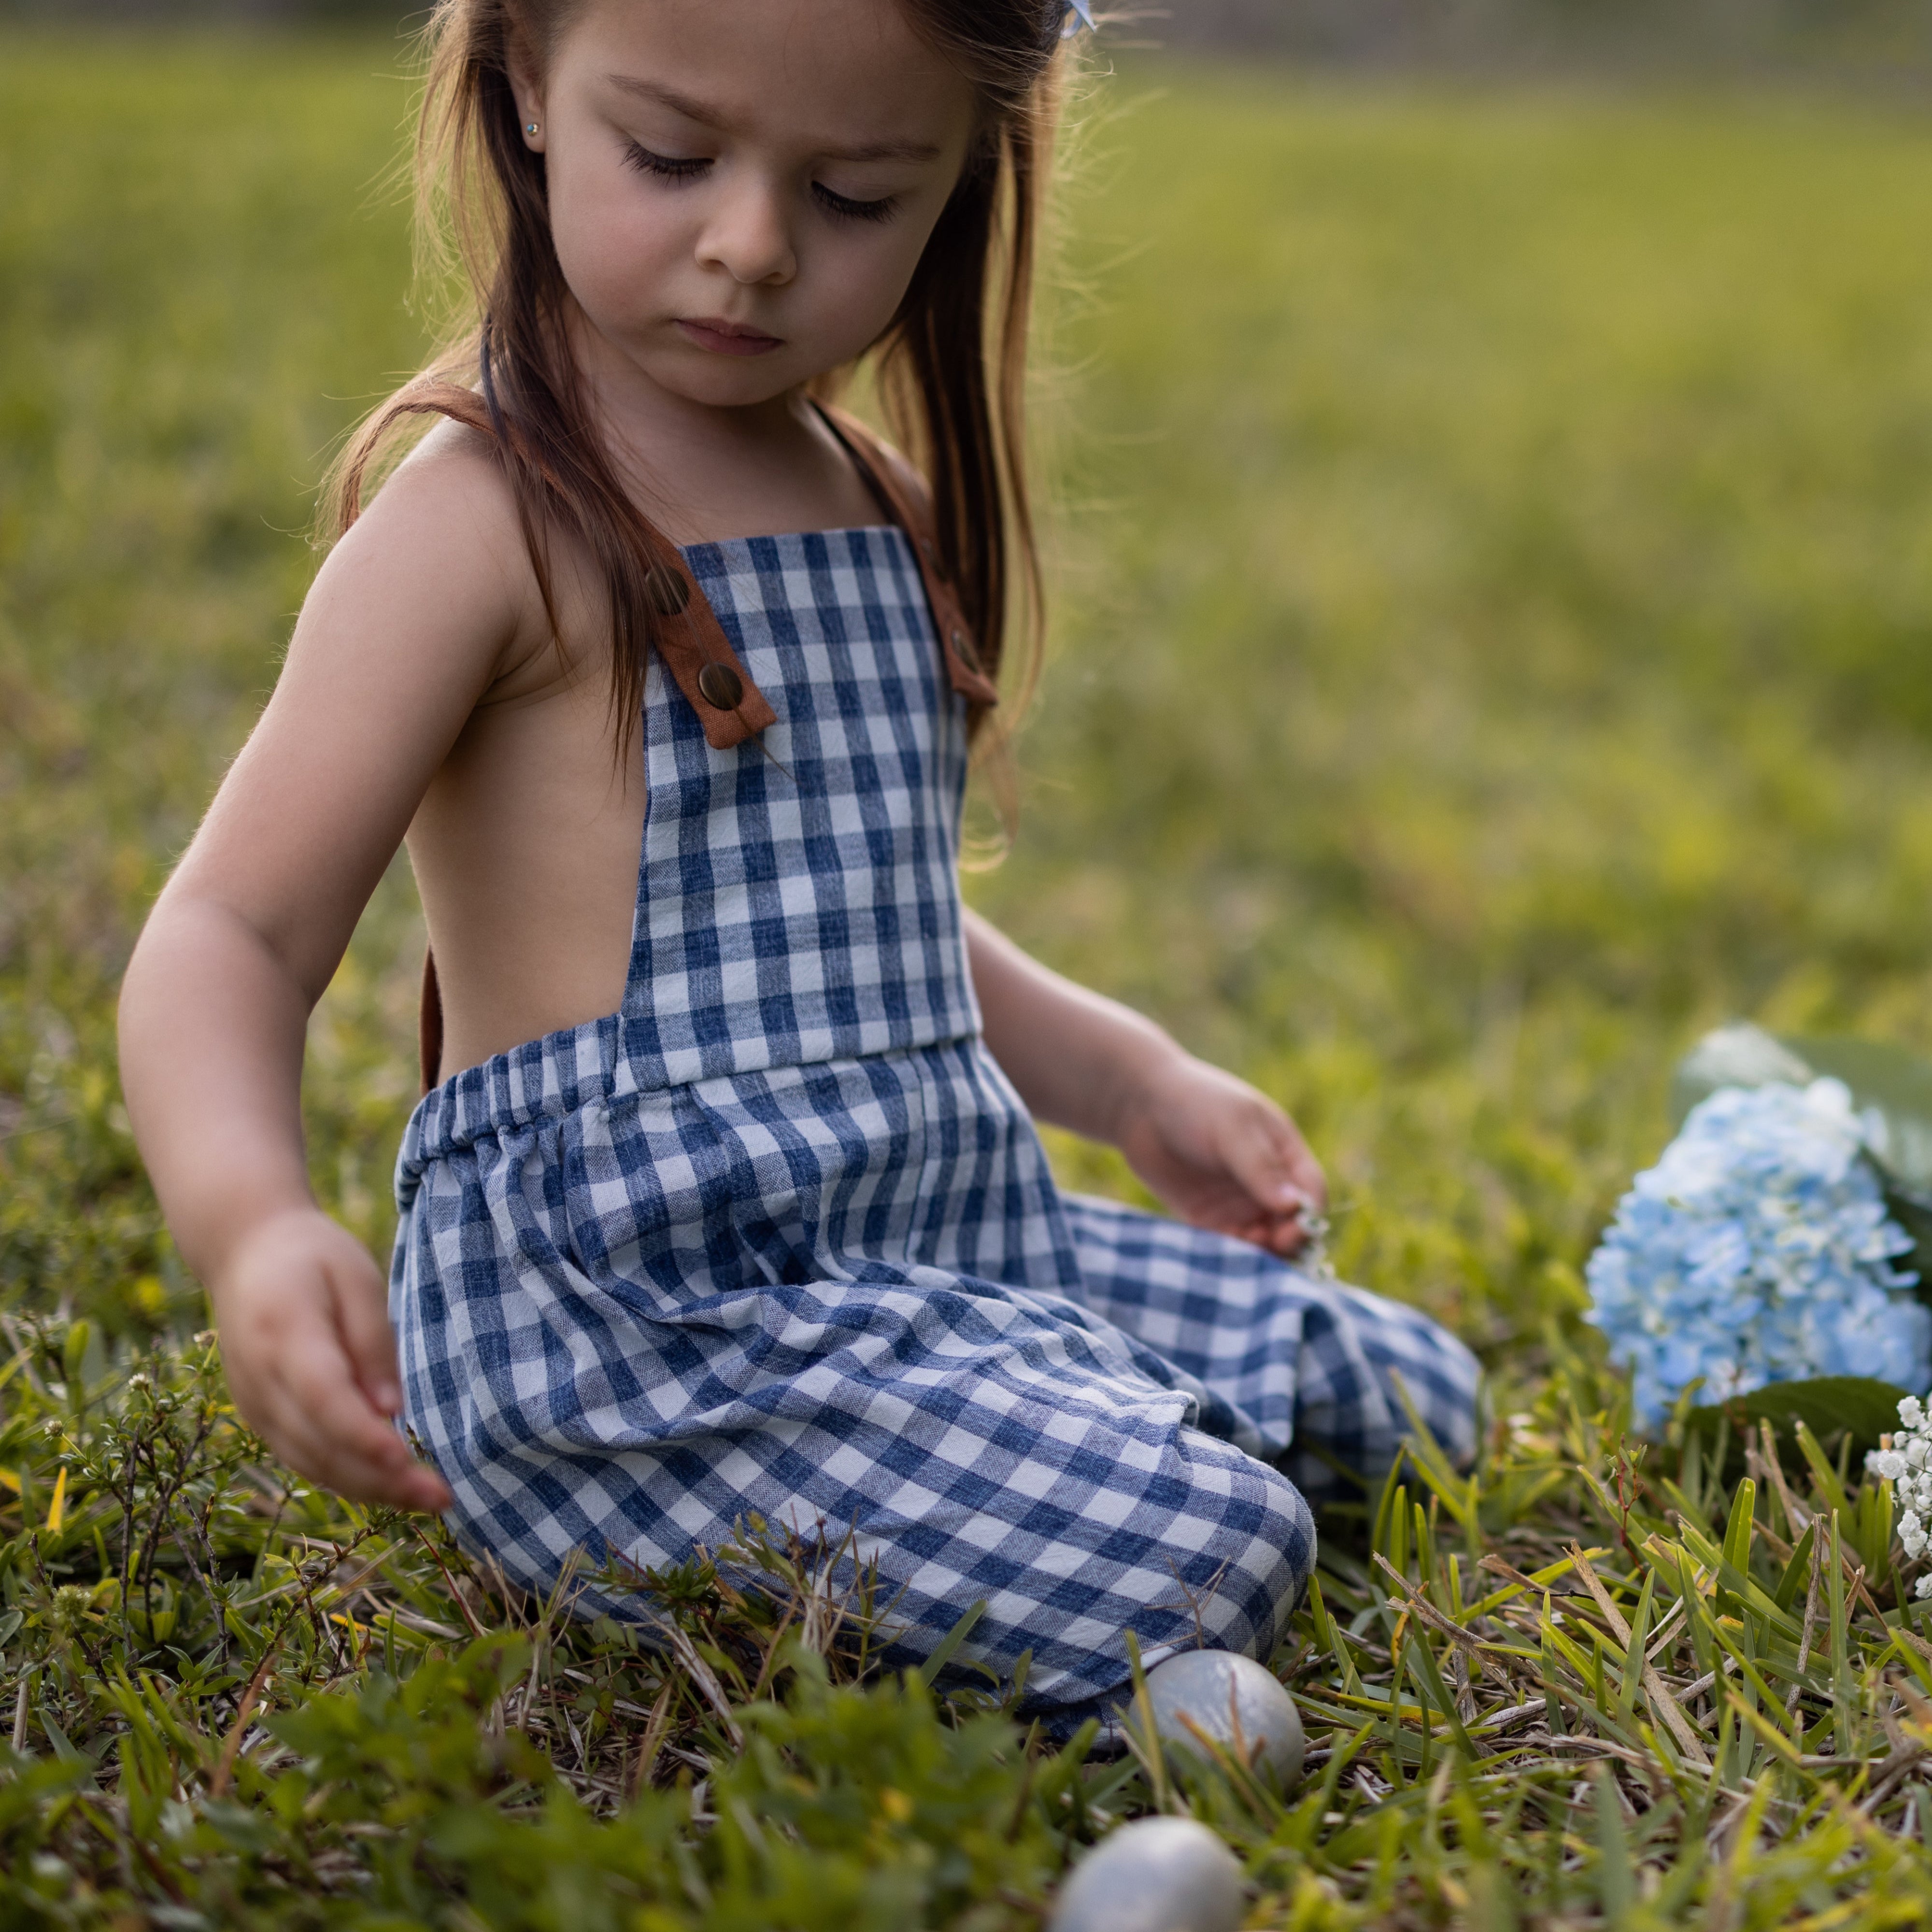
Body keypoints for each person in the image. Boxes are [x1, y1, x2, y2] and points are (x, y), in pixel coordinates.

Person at [117, 0, 1477, 1733]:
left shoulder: (876, 498)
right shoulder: (484, 522)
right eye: (672, 157)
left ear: (962, 175)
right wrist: (249, 1226)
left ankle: (1050, 1453)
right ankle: (1085, 1514)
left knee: (1405, 1397)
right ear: (529, 79)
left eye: (855, 193)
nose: (750, 247)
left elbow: (867, 917)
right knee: (1214, 1537)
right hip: (643, 1333)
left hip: (927, 1232)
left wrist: (1130, 1079)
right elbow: (229, 931)